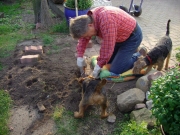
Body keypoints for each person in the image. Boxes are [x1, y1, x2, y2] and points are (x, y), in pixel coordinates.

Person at [69, 6, 146, 78]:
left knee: (116, 69)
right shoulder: (87, 21)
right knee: (107, 61)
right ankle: (127, 54)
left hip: (132, 38)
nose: (86, 38)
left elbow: (107, 48)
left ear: (90, 25)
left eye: (86, 35)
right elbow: (83, 39)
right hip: (118, 38)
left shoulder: (106, 21)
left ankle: (138, 54)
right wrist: (80, 56)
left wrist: (97, 68)